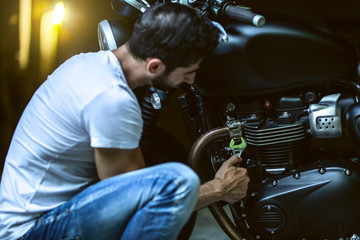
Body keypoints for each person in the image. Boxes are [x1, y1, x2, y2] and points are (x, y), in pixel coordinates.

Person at [0, 2, 249, 240]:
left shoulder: (88, 63)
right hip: (32, 232)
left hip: (47, 217)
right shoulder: (112, 99)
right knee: (177, 182)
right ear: (154, 66)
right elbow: (143, 199)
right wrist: (219, 189)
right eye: (187, 72)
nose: (191, 80)